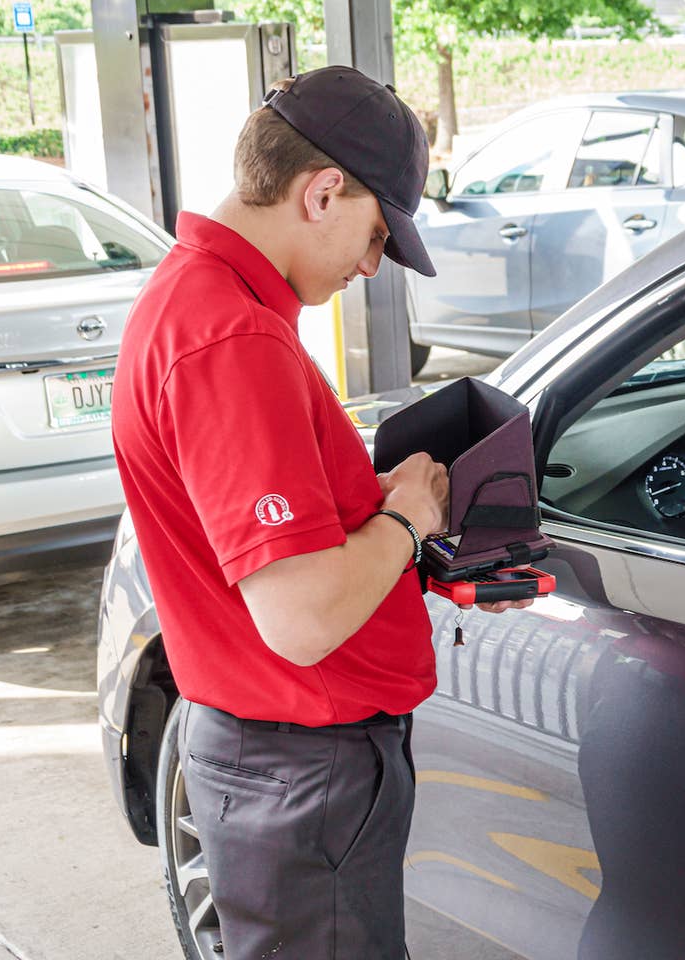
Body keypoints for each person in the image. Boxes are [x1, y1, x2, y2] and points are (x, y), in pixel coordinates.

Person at [111, 65, 527, 960]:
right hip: (305, 764)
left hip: (273, 763)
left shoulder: (198, 299)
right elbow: (298, 617)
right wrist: (407, 520)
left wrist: (361, 507)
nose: (371, 265)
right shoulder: (233, 338)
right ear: (323, 191)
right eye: (377, 235)